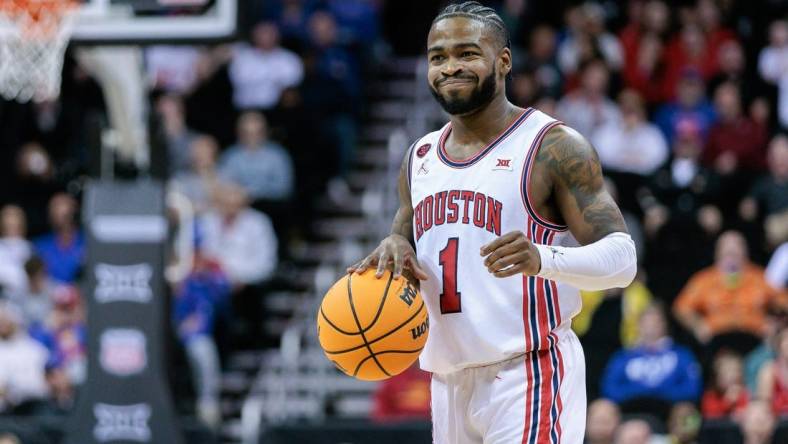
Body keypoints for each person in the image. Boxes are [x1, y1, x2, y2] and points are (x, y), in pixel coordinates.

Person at [350, 3, 637, 442]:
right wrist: (394, 244)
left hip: (530, 371)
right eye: (438, 57)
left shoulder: (552, 146)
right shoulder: (420, 157)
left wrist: (543, 258)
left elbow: (623, 260)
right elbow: (405, 239)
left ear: (503, 61)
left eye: (467, 53)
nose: (450, 67)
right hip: (448, 381)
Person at [673, 231, 785, 350]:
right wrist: (698, 326)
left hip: (755, 338)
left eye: (736, 250)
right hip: (716, 340)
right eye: (727, 251)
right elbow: (681, 308)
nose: (731, 254)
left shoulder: (761, 277)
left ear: (745, 253)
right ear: (717, 254)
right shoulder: (703, 280)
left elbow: (784, 302)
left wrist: (775, 325)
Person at [600, 303, 702, 408]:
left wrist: (658, 393)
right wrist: (641, 393)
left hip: (670, 409)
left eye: (655, 322)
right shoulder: (623, 356)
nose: (651, 327)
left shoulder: (682, 354)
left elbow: (692, 389)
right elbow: (609, 389)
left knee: (687, 412)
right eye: (646, 322)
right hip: (630, 410)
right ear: (638, 325)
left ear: (664, 324)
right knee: (603, 407)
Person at [32, 193, 84, 284]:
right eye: (54, 208)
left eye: (66, 215)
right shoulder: (40, 245)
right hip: (50, 295)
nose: (58, 212)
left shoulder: (88, 243)